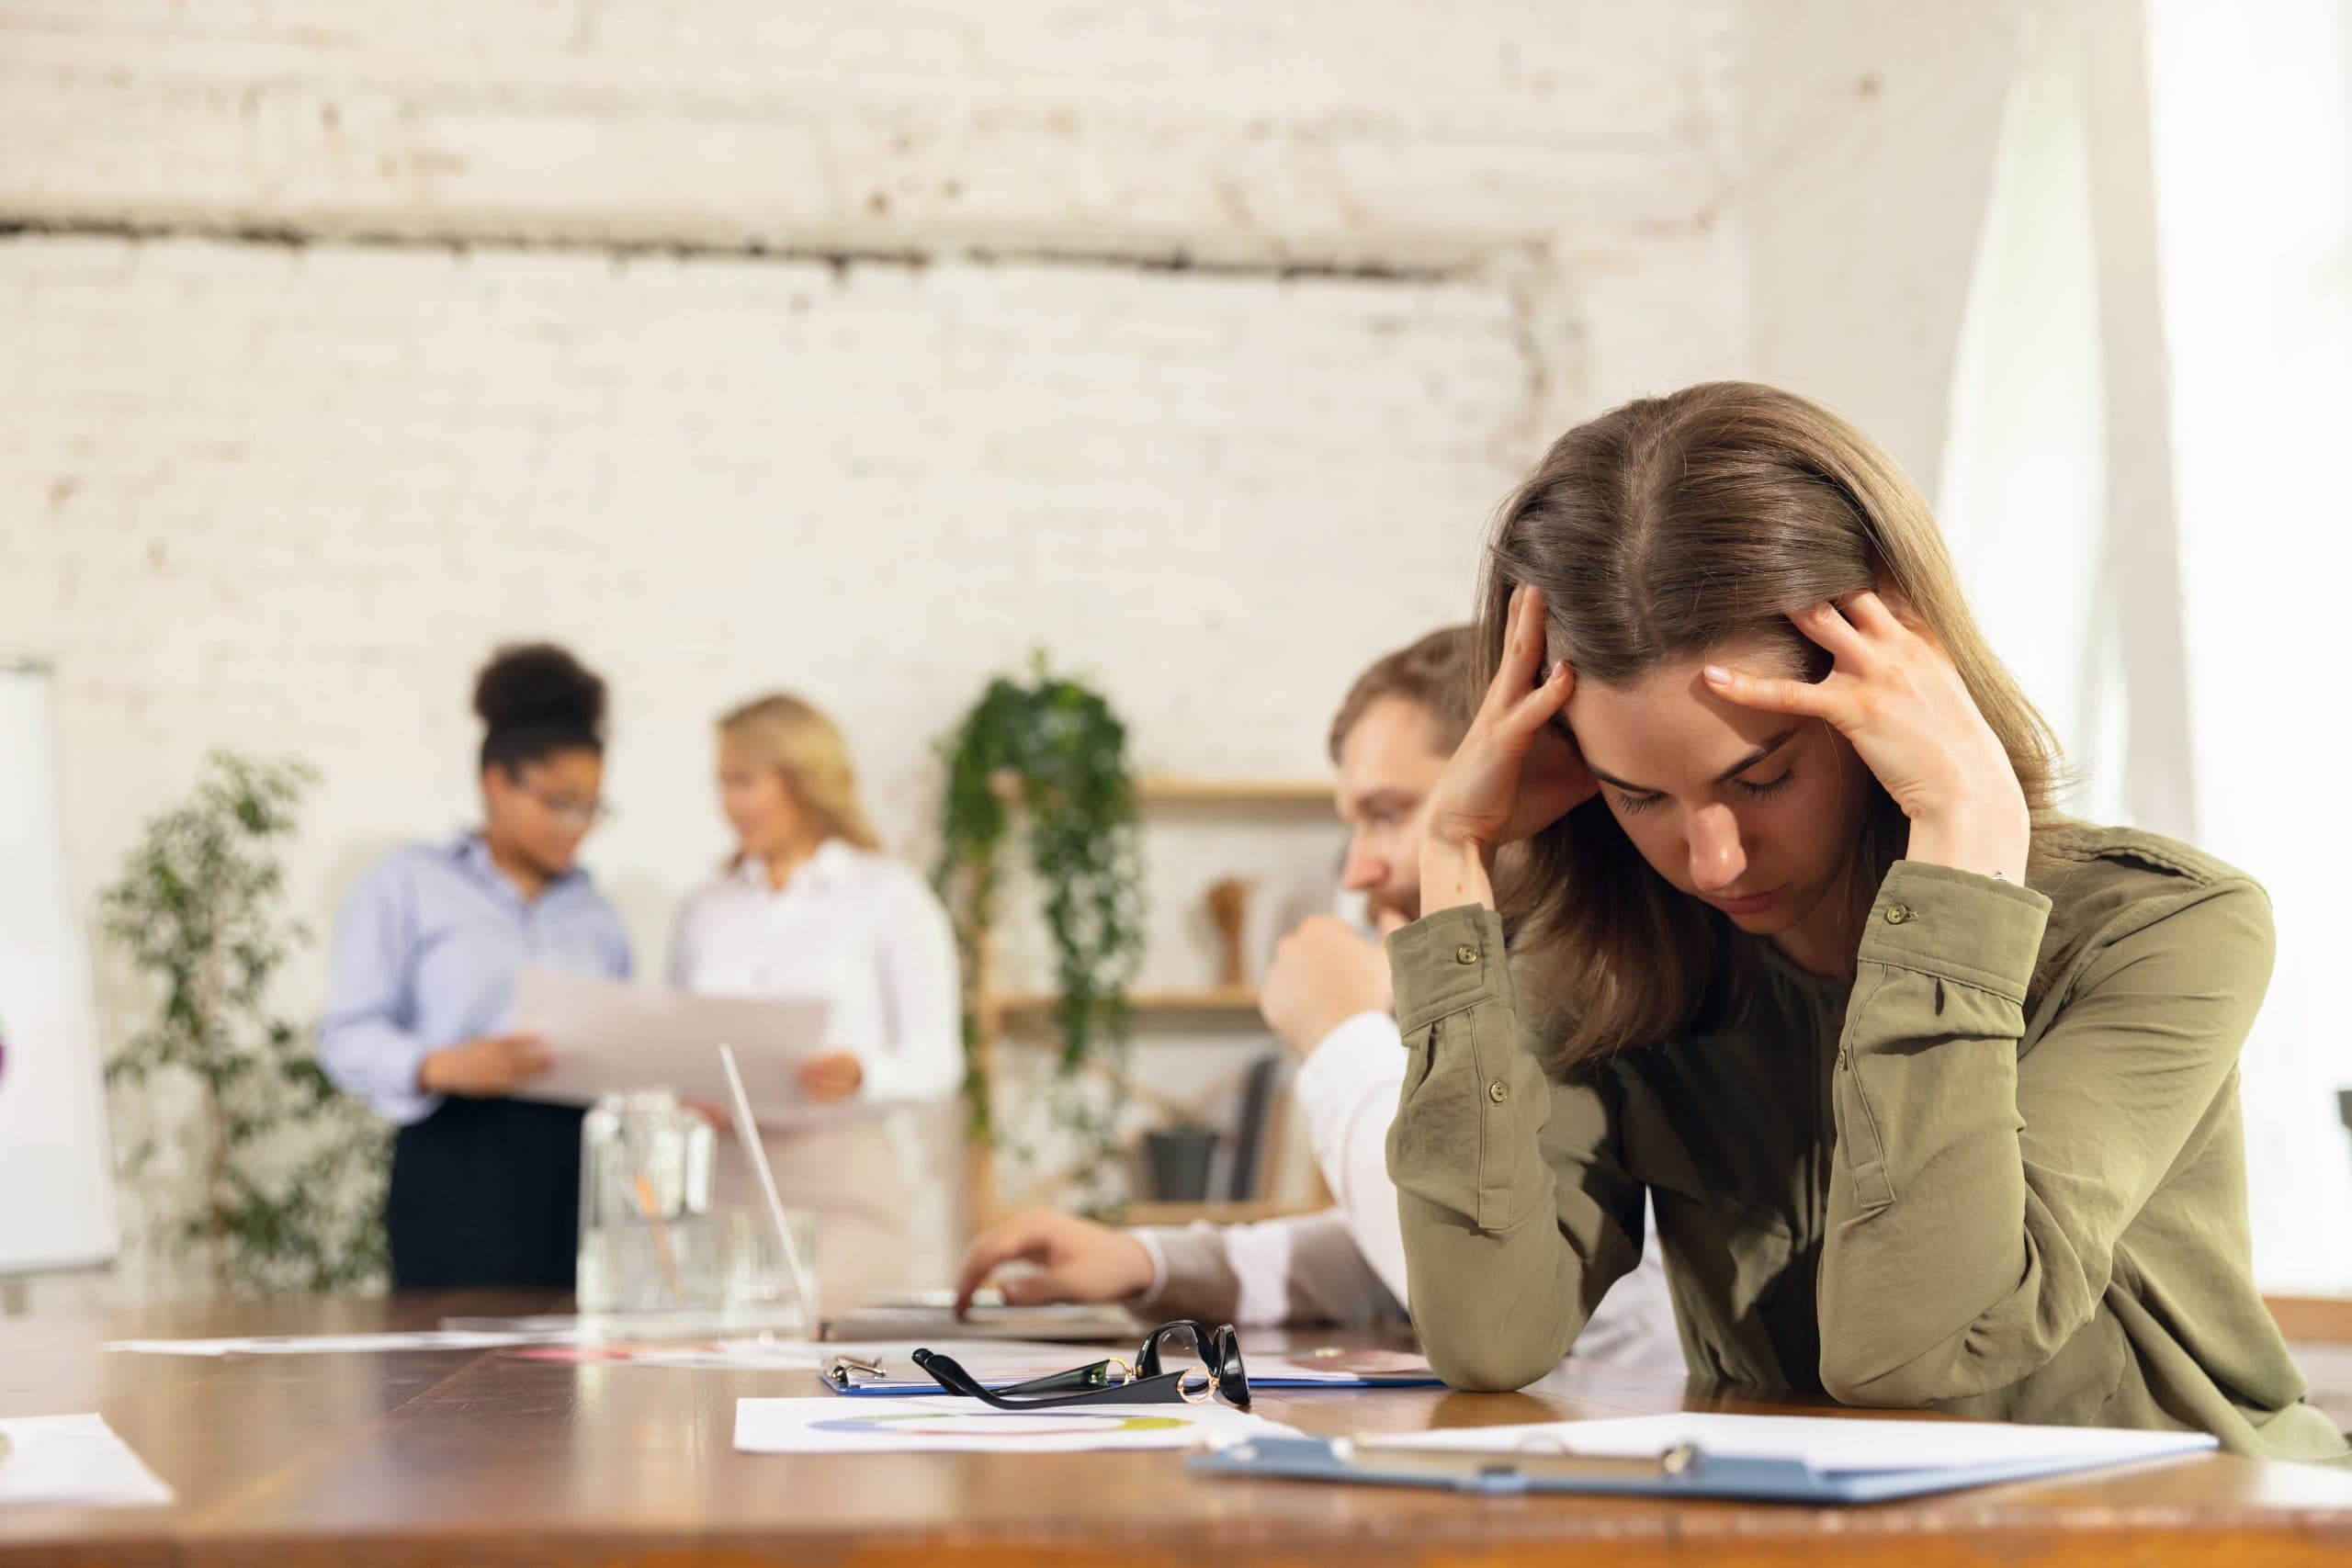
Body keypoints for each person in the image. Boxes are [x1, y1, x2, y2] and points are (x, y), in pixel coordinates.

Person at [1389, 380, 2347, 1461]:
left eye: (1763, 777)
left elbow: (1908, 1349)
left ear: (1892, 678)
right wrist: (1451, 860)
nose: (1712, 861)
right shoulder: (1611, 971)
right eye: (1638, 797)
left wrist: (1961, 841)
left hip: (2203, 1536)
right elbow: (1486, 1334)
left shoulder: (2167, 932)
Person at [955, 629, 1680, 1370]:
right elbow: (1435, 1228)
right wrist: (1152, 1261)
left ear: (1518, 778)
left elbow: (1502, 1295)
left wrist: (1341, 1035)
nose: (1359, 869)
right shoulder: (1520, 971)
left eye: (1389, 814)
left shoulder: (1613, 988)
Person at [321, 644, 631, 1290]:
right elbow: (346, 1034)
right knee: (454, 1377)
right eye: (560, 802)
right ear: (497, 782)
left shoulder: (594, 911)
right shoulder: (408, 883)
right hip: (460, 1158)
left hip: (579, 1170)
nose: (578, 826)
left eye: (592, 807)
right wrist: (440, 1063)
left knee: (583, 1372)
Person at [669, 693, 960, 1306]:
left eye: (745, 781)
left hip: (841, 1180)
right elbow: (684, 1037)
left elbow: (940, 1060)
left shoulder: (889, 895)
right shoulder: (705, 909)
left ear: (804, 777)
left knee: (821, 1356)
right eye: (722, 783)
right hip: (722, 1178)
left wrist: (863, 1073)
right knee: (704, 1371)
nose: (730, 804)